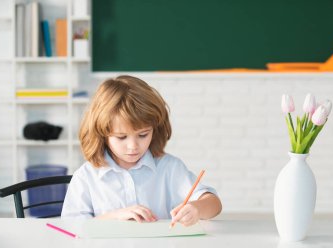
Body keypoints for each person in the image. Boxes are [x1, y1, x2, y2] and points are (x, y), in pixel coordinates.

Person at [61, 75, 222, 226]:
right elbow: (71, 226)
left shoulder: (169, 168)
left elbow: (214, 204)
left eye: (143, 135)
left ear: (155, 129)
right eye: (121, 137)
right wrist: (115, 216)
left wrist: (197, 208)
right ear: (102, 134)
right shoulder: (86, 176)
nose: (133, 146)